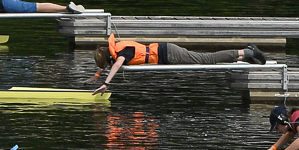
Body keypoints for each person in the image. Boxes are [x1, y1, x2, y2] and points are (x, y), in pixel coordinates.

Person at [92, 34, 268, 93]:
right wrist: (97, 75)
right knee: (206, 60)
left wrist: (106, 83)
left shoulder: (122, 53)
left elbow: (116, 64)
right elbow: (109, 63)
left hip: (169, 53)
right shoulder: (116, 49)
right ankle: (243, 58)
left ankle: (247, 51)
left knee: (206, 60)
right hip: (166, 53)